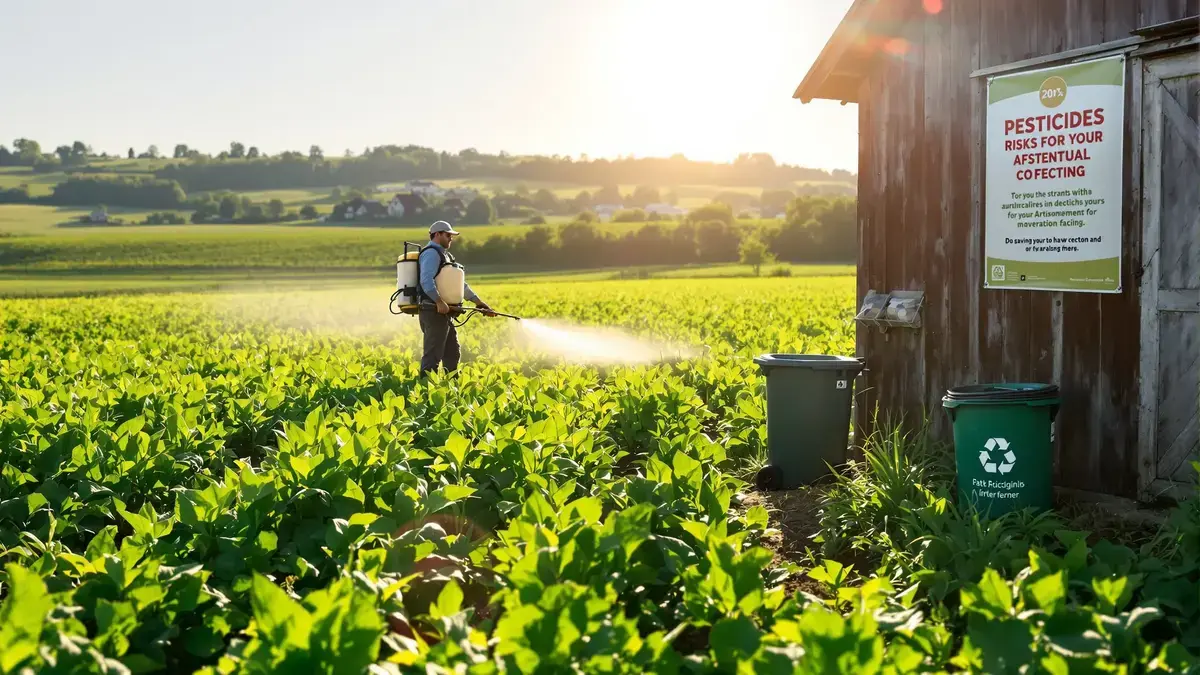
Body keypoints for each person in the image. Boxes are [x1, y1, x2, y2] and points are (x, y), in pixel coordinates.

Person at [417, 221, 494, 374]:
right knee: (433, 355)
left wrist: (479, 303)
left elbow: (459, 285)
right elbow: (426, 279)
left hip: (445, 312)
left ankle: (451, 388)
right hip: (433, 310)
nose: (451, 238)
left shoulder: (446, 256)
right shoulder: (431, 253)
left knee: (452, 352)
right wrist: (439, 301)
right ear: (437, 234)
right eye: (448, 235)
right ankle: (424, 390)